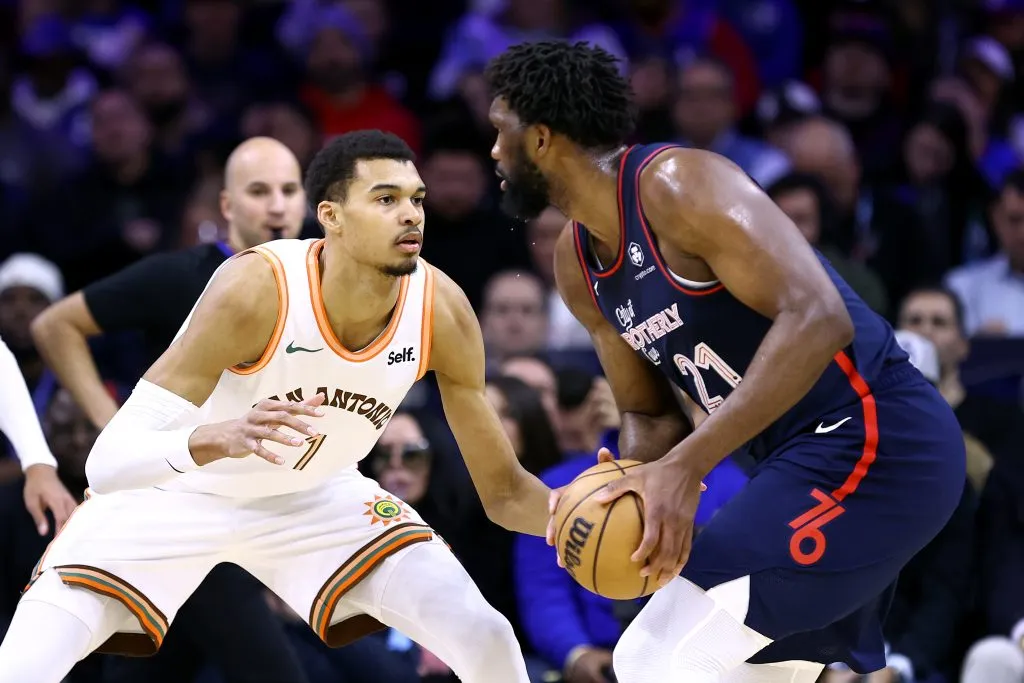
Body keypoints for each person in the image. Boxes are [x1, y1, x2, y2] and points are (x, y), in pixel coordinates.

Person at [484, 41, 965, 683]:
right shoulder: (579, 264)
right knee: (751, 674)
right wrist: (633, 482)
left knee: (656, 659)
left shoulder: (679, 186)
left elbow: (819, 317)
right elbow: (649, 414)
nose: (492, 151)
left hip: (879, 440)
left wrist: (685, 468)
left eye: (500, 131)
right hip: (797, 464)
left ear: (541, 138)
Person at [0, 129, 550, 683]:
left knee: (487, 636)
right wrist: (213, 438)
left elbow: (504, 492)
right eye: (386, 199)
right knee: (22, 667)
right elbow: (107, 464)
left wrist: (575, 517)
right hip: (173, 496)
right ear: (330, 215)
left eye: (416, 199)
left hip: (317, 497)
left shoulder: (442, 309)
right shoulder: (257, 287)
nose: (410, 215)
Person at [29, 136, 312, 683]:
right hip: (183, 511)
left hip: (258, 514)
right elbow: (54, 325)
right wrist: (110, 425)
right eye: (258, 191)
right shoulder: (181, 276)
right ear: (227, 207)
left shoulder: (317, 286)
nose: (276, 205)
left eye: (288, 189)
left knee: (154, 667)